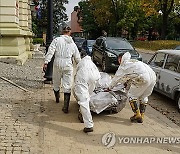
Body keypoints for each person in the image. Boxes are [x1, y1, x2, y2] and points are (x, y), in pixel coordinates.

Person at [109, 52, 156, 123]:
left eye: (118, 59)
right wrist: (126, 83)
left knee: (131, 95)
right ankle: (142, 115)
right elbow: (131, 75)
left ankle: (137, 114)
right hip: (152, 77)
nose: (118, 62)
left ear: (120, 58)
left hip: (143, 78)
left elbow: (116, 78)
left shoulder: (124, 65)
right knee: (144, 96)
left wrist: (109, 88)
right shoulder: (134, 62)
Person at [43, 26, 81, 113]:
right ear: (70, 32)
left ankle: (57, 98)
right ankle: (65, 107)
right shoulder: (72, 43)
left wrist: (46, 62)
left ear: (62, 31)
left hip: (57, 62)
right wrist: (81, 65)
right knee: (67, 84)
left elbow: (50, 51)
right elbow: (77, 57)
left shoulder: (56, 40)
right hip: (68, 64)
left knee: (56, 81)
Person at [73, 55, 101, 133]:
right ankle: (81, 112)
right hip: (95, 77)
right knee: (87, 96)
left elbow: (76, 73)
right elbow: (98, 74)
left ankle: (89, 125)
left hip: (83, 77)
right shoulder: (91, 63)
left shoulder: (81, 62)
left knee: (83, 101)